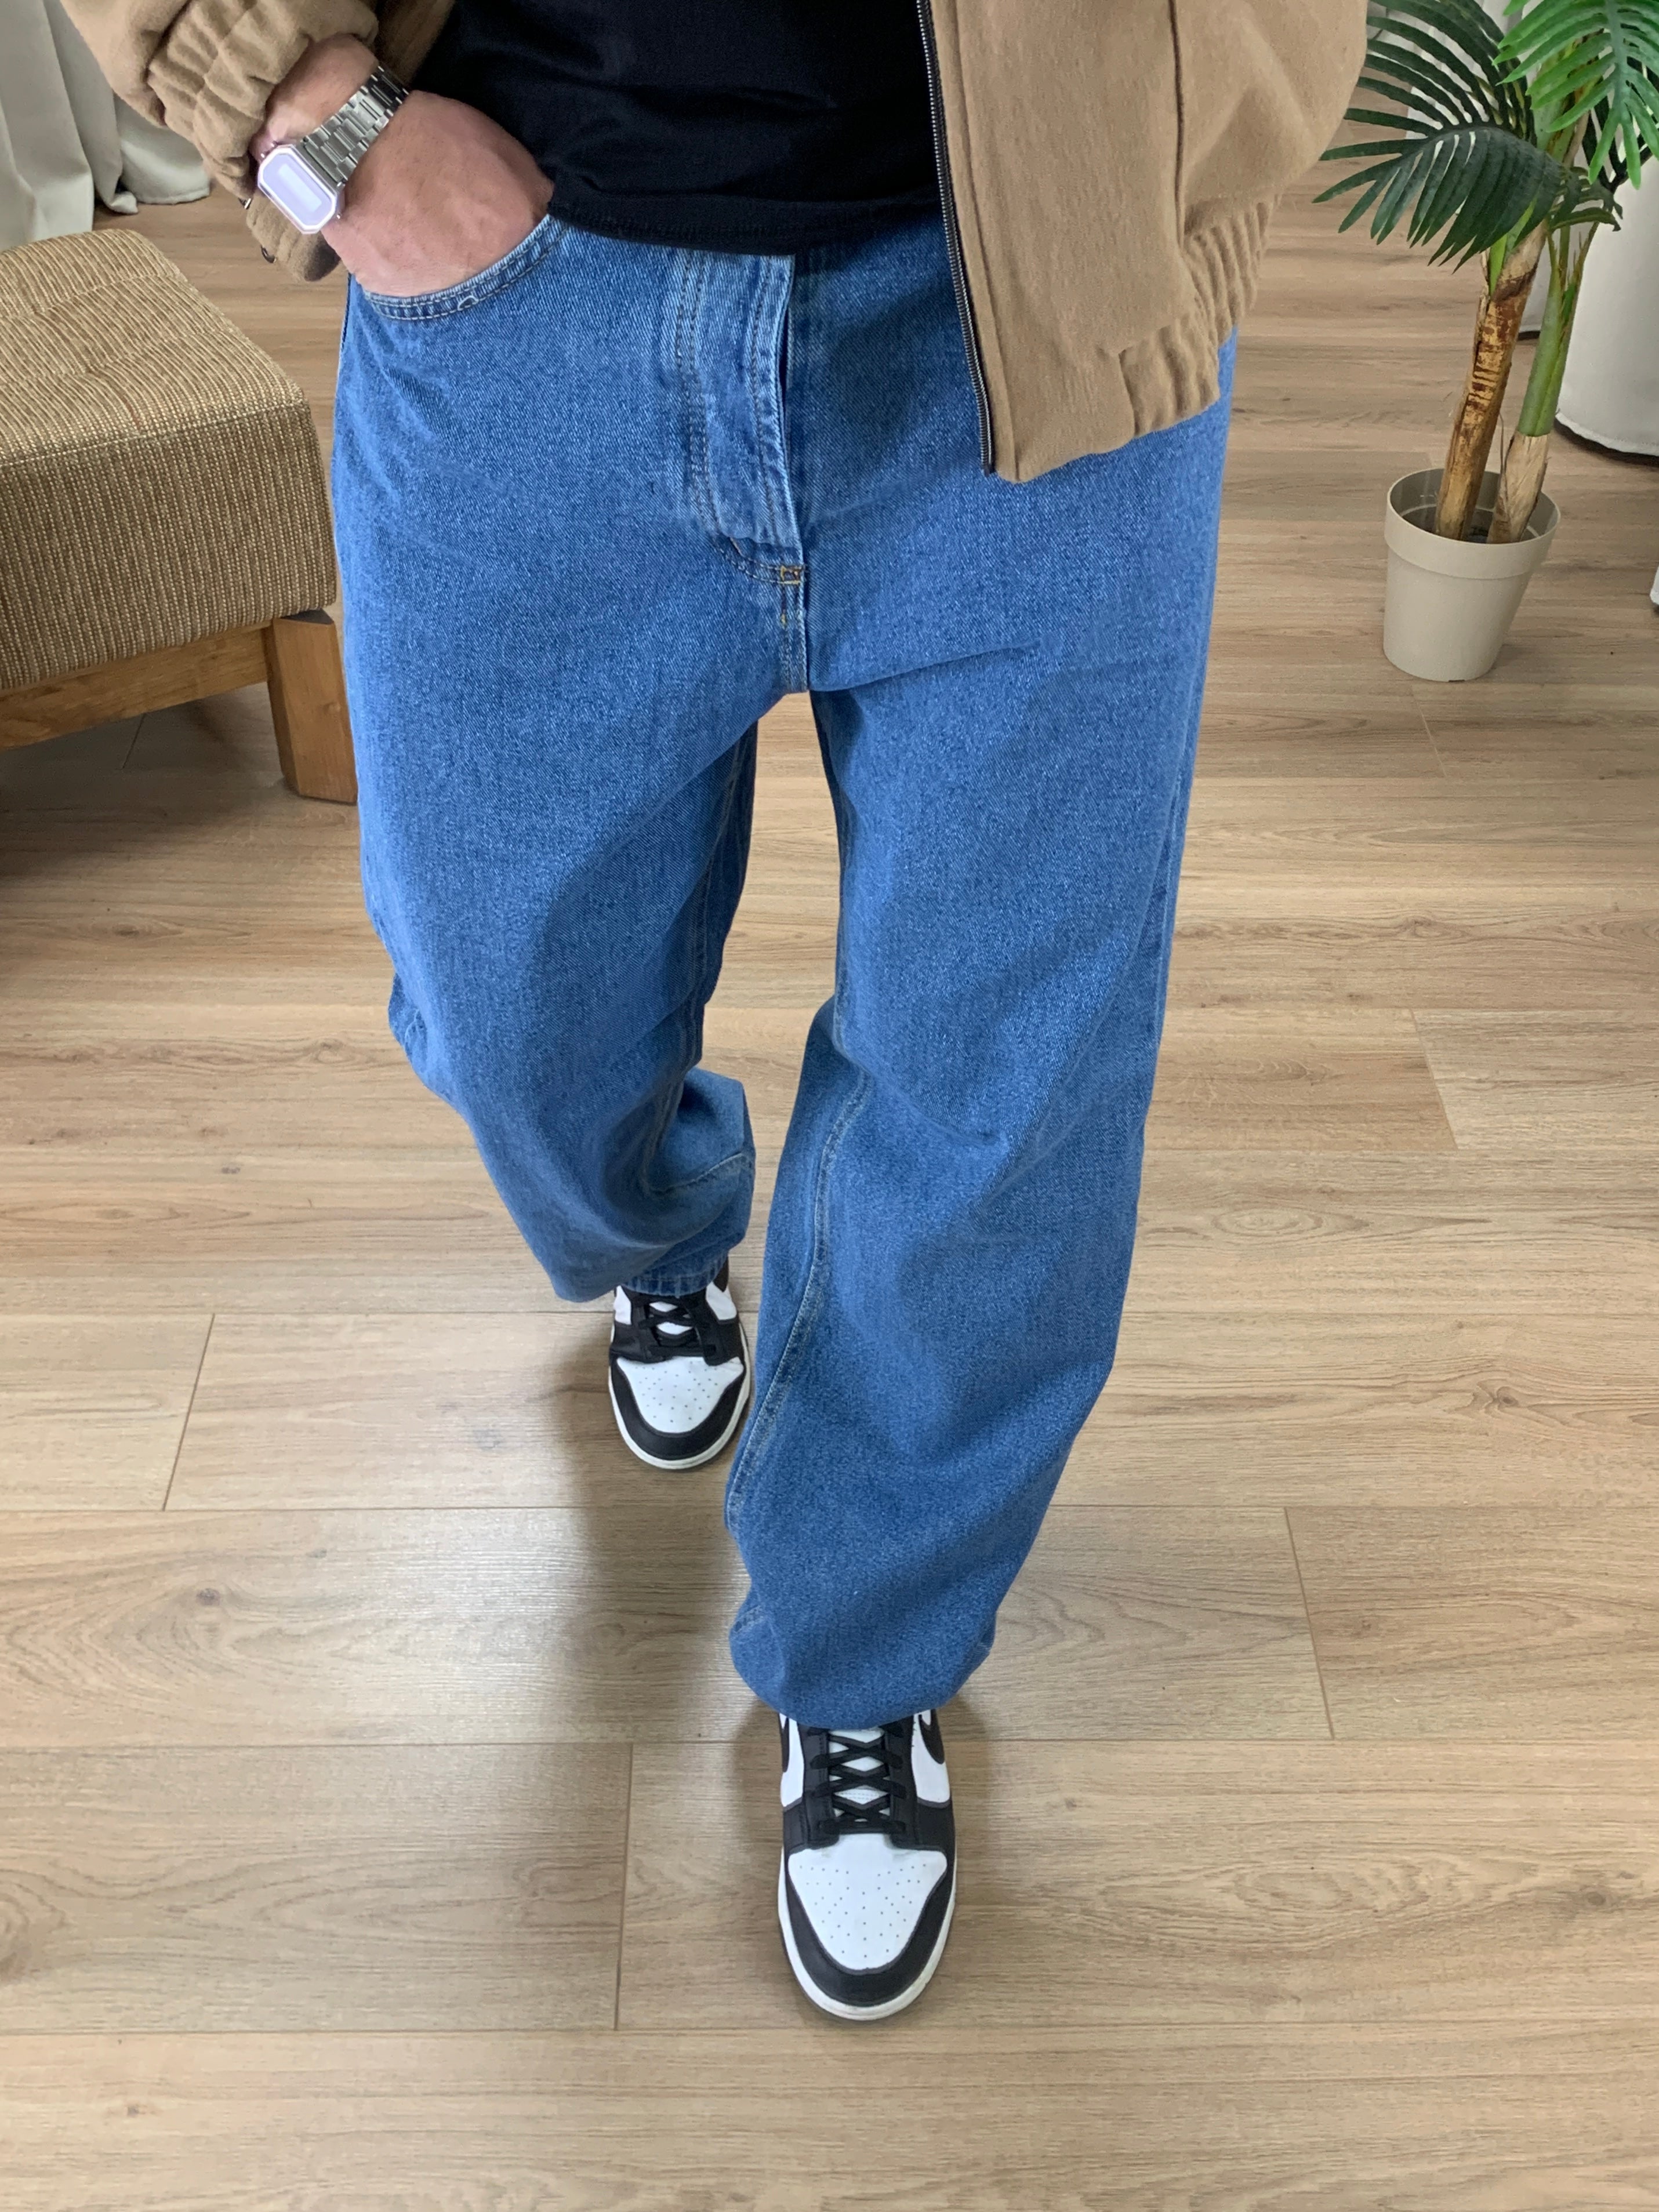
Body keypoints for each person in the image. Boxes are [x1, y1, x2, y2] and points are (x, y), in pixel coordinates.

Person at [64, 0, 1364, 2020]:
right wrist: (314, 122)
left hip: (1048, 297)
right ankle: (662, 1235)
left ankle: (868, 1657)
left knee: (1006, 1088)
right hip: (522, 284)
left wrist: (1204, 144)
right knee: (508, 1000)